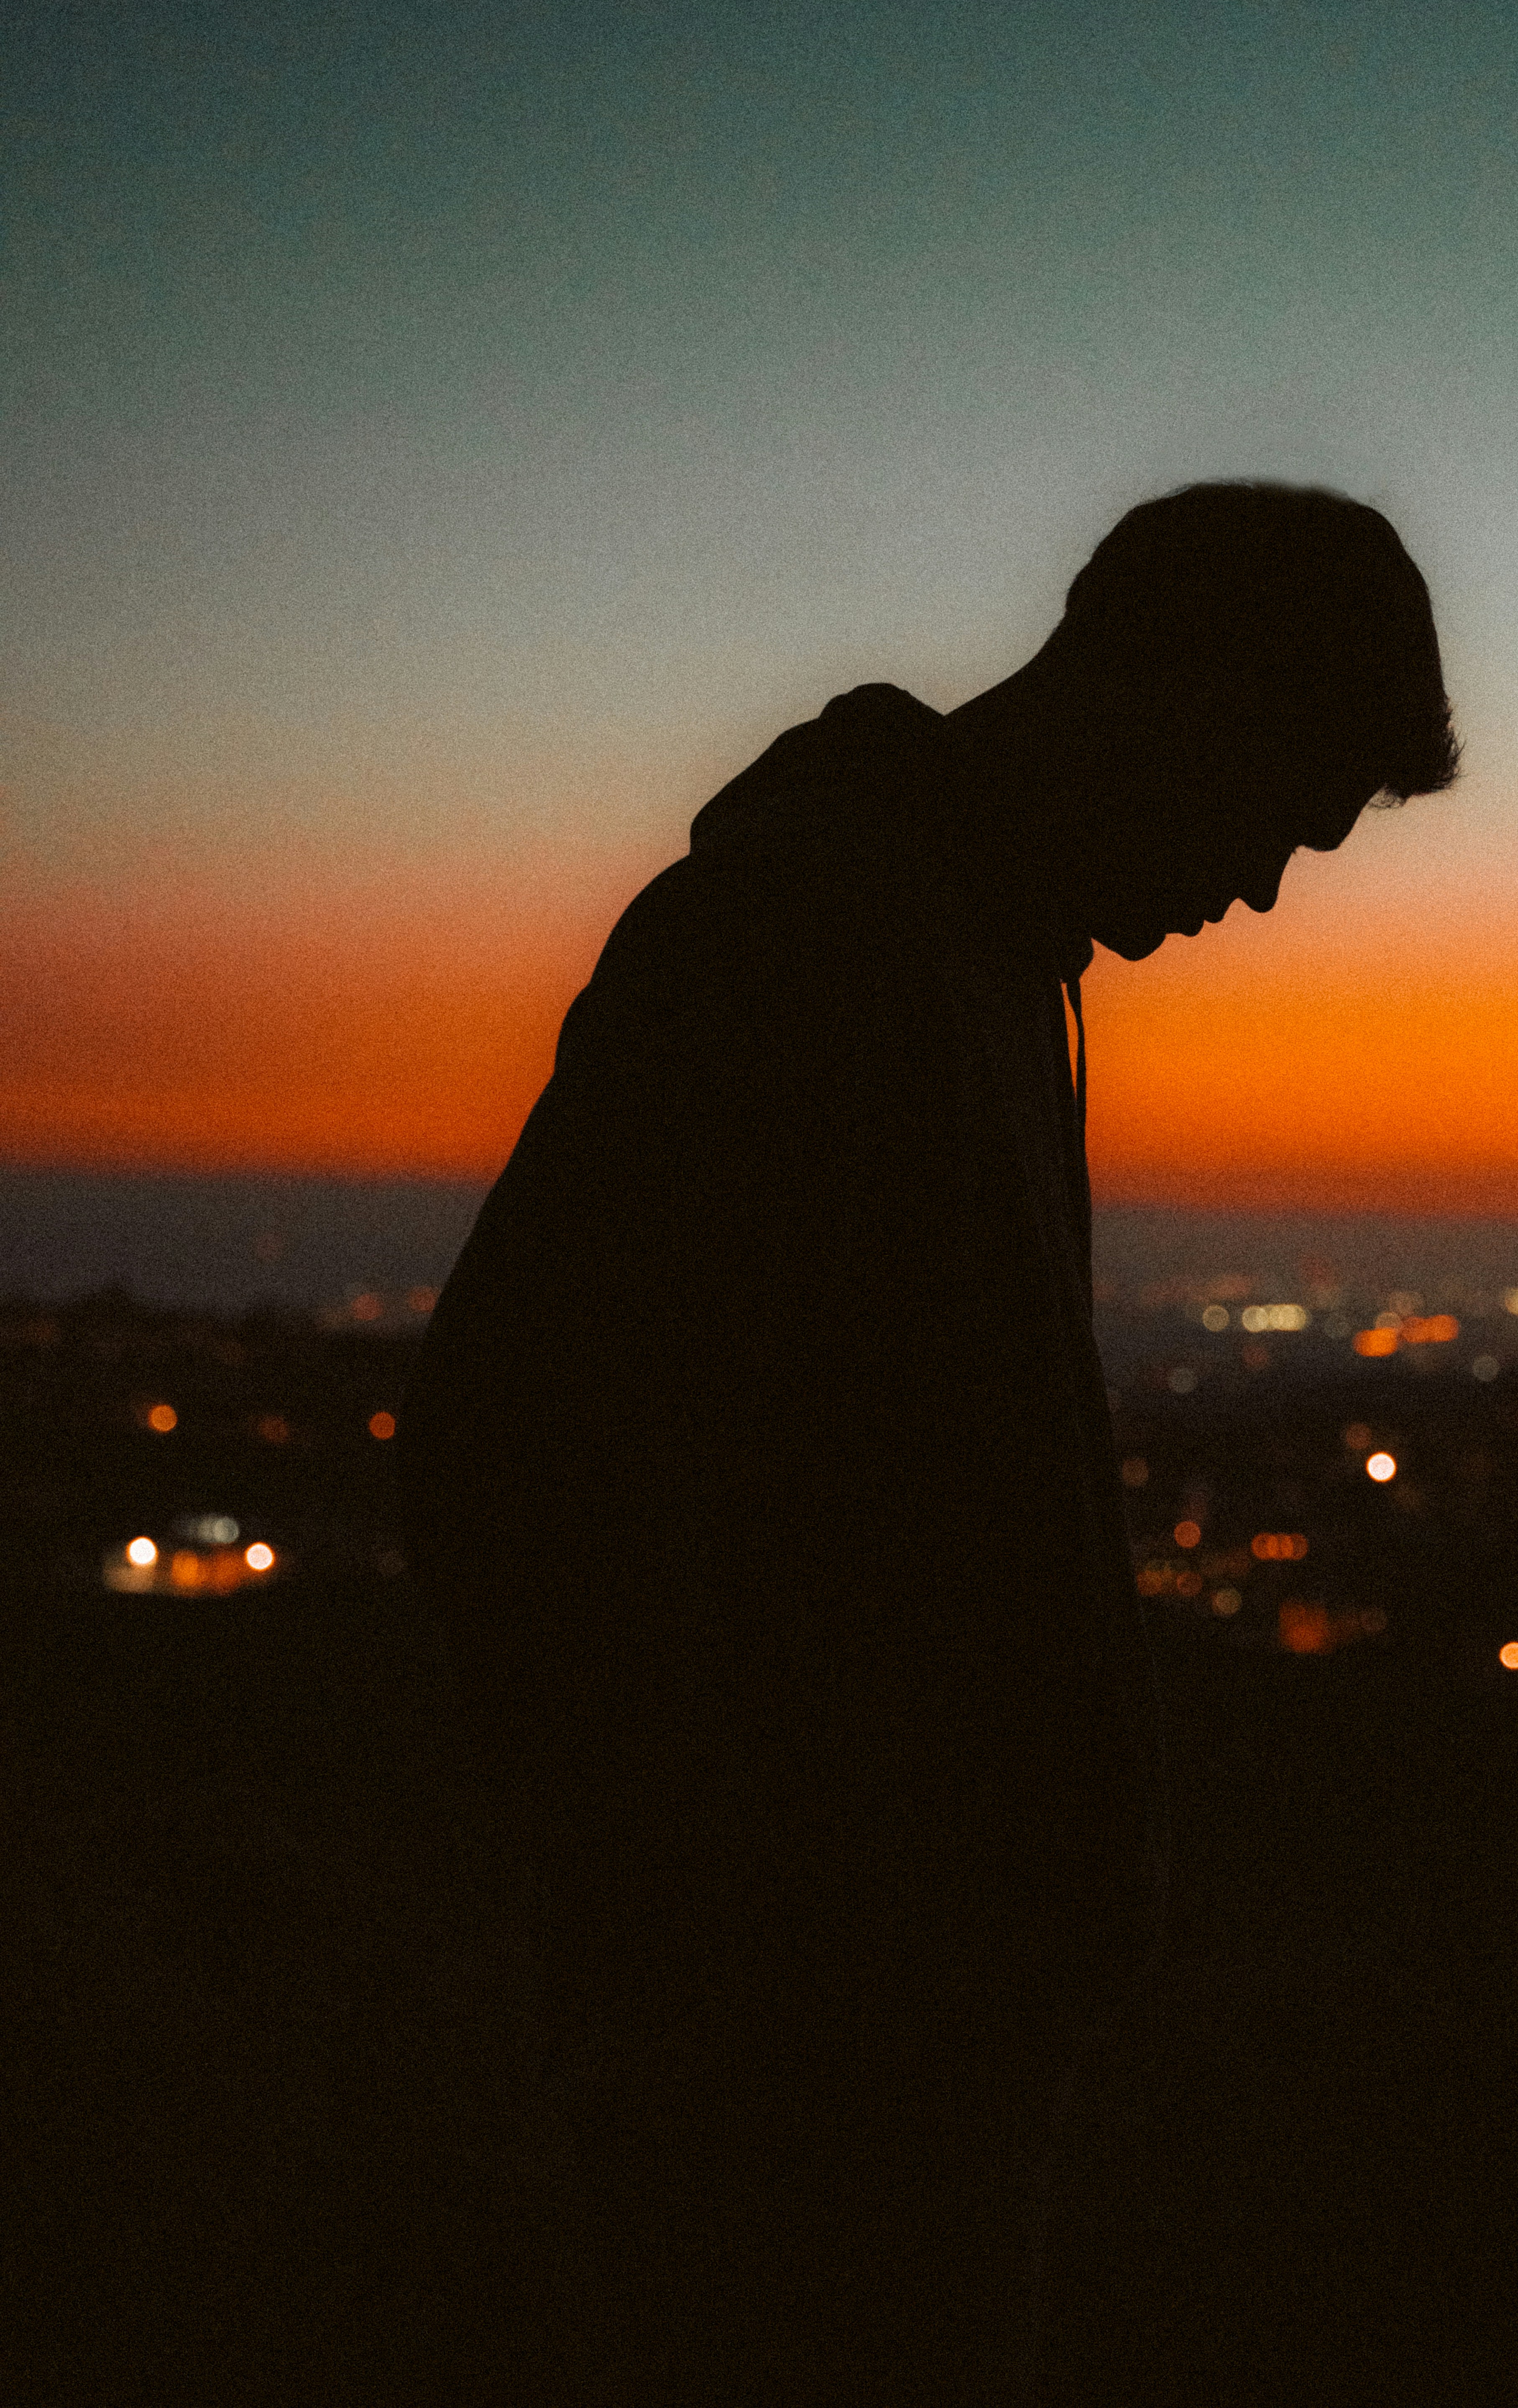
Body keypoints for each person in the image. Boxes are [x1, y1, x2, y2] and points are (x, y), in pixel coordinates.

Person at [396, 478, 1459, 2403]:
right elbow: (518, 1450)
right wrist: (745, 1939)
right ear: (1172, 695)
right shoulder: (812, 940)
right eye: (1275, 814)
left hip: (905, 2042)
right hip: (804, 2065)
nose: (1259, 894)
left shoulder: (969, 954)